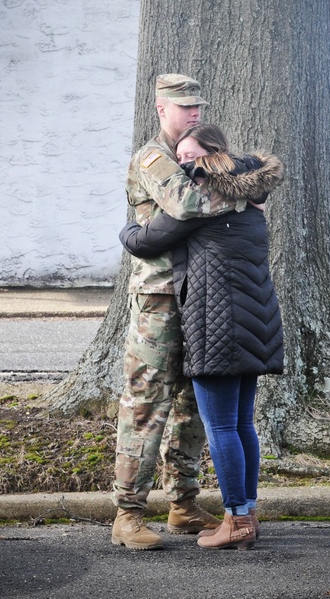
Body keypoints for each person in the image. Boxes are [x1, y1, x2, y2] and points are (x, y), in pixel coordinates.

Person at [120, 124, 285, 550]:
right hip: (256, 325)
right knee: (243, 424)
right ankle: (246, 512)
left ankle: (236, 521)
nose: (185, 166)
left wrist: (126, 229)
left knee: (222, 427)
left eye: (191, 159)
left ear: (212, 158)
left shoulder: (199, 202)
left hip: (217, 327)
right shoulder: (249, 202)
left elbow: (144, 241)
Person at [111, 74, 245, 551]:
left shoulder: (196, 154)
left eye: (198, 106)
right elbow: (186, 202)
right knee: (147, 403)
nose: (194, 113)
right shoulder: (153, 159)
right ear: (160, 109)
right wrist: (241, 191)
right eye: (184, 106)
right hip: (160, 298)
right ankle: (127, 514)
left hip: (200, 294)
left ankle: (183, 503)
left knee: (192, 406)